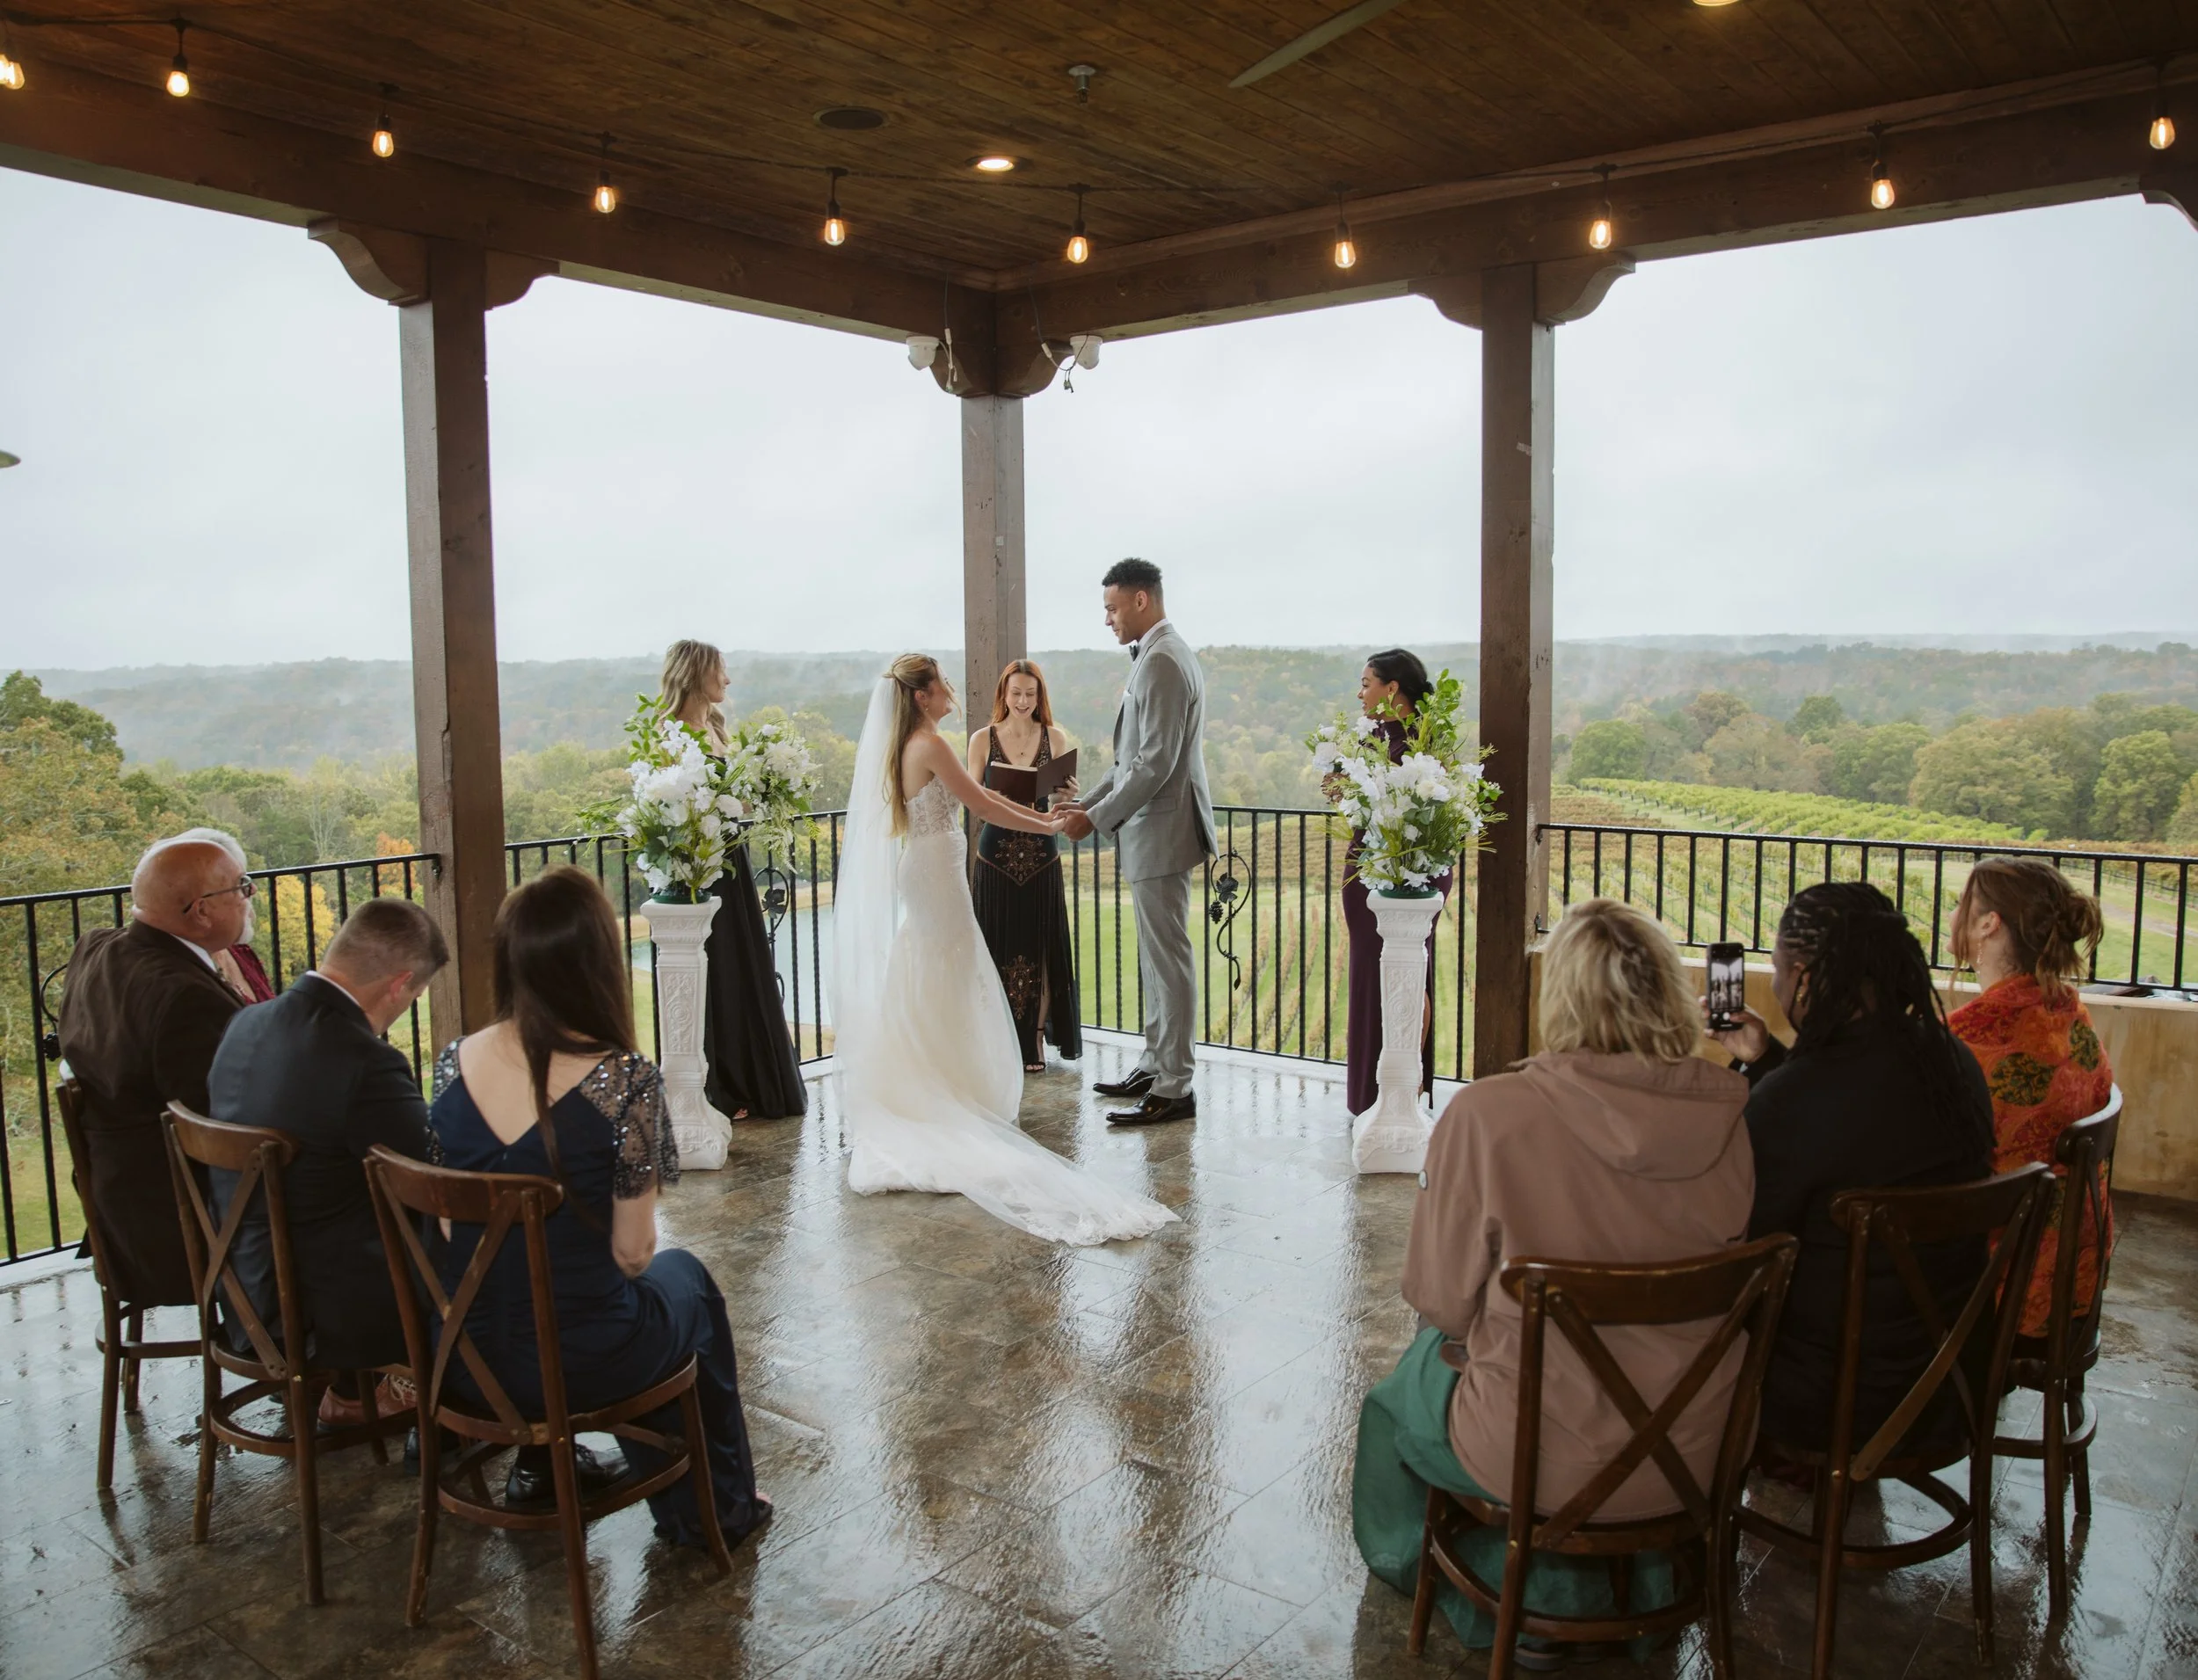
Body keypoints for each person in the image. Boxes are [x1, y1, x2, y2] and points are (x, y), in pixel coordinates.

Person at [1356, 898, 1755, 1666]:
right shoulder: (1732, 1111)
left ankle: (1513, 1590)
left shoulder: (1491, 1113)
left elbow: (1437, 1298)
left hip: (1535, 1455)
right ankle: (1625, 1587)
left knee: (1402, 1393)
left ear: (1560, 995)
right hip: (1693, 1451)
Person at [428, 866, 768, 1538]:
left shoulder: (449, 1063)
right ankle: (711, 1515)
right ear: (596, 962)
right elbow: (635, 1253)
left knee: (611, 1300)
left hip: (461, 1361)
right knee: (685, 1282)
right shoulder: (625, 1081)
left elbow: (444, 1224)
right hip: (577, 1360)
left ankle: (564, 1469)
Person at [831, 655, 1176, 1245]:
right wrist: (1053, 825)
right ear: (921, 696)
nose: (948, 690)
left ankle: (933, 1077)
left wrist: (1053, 812)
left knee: (932, 967)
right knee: (953, 966)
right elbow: (985, 805)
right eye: (939, 683)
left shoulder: (907, 742)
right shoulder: (933, 743)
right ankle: (945, 1088)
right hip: (938, 871)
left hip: (928, 866)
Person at [1706, 882, 1995, 1455]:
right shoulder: (1955, 1063)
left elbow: (1739, 1248)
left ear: (1806, 976)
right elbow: (1851, 1123)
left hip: (1831, 1404)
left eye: (1779, 969)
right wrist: (1767, 1060)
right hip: (1953, 1387)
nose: (1779, 983)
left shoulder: (1795, 1099)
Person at [206, 897, 447, 1422]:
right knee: (487, 1234)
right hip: (320, 1315)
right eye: (418, 994)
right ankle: (467, 1400)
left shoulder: (246, 1024)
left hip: (240, 1285)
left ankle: (354, 1393)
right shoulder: (366, 1063)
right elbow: (434, 1176)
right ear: (399, 984)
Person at [58, 838, 250, 1306]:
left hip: (118, 1207)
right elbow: (227, 1127)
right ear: (201, 912)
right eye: (241, 888)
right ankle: (329, 1367)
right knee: (348, 1206)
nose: (248, 898)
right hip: (176, 1231)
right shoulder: (185, 997)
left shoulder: (97, 950)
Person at [1059, 560, 1217, 1126]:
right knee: (1156, 959)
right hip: (1153, 830)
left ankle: (1175, 1084)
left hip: (1164, 831)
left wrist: (1095, 820)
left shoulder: (1166, 661)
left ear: (1142, 600)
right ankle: (1155, 1064)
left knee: (1169, 960)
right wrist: (1088, 802)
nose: (1107, 619)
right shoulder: (1159, 655)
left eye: (1112, 608)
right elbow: (1129, 761)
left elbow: (1155, 764)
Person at [1947, 858, 2114, 1338]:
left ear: (1988, 924)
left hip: (1999, 1284)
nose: (1954, 914)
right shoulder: (2067, 1011)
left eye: (1962, 904)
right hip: (2071, 1270)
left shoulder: (1971, 1040)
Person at [662, 639, 805, 1121]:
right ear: (696, 673)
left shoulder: (717, 729)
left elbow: (731, 801)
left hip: (732, 859)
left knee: (743, 967)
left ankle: (749, 1077)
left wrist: (759, 795)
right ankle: (716, 1085)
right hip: (700, 866)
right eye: (720, 671)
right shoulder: (670, 732)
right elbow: (673, 806)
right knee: (714, 968)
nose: (727, 679)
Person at [1335, 650, 1452, 1115]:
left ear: (1393, 689)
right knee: (1369, 972)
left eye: (1366, 683)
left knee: (1406, 970)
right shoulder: (1373, 736)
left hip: (1409, 870)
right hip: (1368, 868)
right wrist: (1343, 790)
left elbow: (1417, 810)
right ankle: (1371, 1095)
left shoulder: (1423, 742)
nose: (1360, 693)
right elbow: (1365, 805)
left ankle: (1401, 1092)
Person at [966, 659, 1082, 1073]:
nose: (1022, 701)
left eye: (1030, 694)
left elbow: (1058, 807)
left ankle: (1033, 1042)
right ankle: (993, 1041)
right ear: (1003, 694)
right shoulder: (983, 739)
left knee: (1042, 947)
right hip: (994, 857)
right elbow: (973, 799)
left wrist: (1068, 794)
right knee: (993, 946)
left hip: (1042, 857)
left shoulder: (1055, 736)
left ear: (1040, 697)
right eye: (1015, 693)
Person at [155, 827, 275, 1003]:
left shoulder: (240, 952)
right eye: (240, 882)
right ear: (201, 909)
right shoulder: (183, 981)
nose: (252, 889)